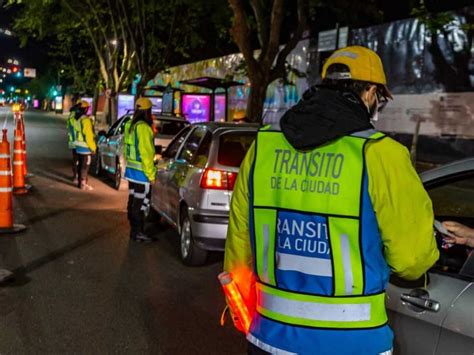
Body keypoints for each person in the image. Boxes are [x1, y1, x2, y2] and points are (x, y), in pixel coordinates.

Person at [223, 46, 439, 355]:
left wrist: (249, 319)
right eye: (380, 98)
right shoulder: (381, 154)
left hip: (268, 337)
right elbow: (411, 259)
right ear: (370, 93)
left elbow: (239, 244)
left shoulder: (263, 147)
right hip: (353, 343)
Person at [124, 97, 157, 243]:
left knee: (133, 201)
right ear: (147, 111)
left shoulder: (130, 125)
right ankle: (138, 233)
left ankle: (134, 231)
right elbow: (146, 153)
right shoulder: (144, 128)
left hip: (131, 170)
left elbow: (127, 149)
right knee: (140, 204)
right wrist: (151, 175)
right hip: (142, 173)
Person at [73, 100, 96, 190]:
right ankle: (83, 184)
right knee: (85, 166)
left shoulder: (77, 119)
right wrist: (93, 148)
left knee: (80, 165)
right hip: (85, 148)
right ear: (85, 109)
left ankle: (80, 183)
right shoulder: (86, 120)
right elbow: (89, 136)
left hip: (78, 146)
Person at [67, 101, 80, 183]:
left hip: (72, 140)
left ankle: (75, 176)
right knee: (79, 159)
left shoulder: (71, 115)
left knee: (75, 159)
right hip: (78, 141)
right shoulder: (76, 116)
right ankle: (76, 176)